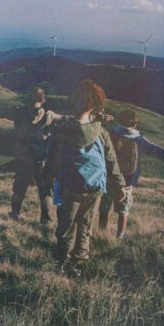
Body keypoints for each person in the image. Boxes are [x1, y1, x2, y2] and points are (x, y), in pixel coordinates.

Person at [46, 79, 125, 275]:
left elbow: (53, 160)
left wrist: (47, 181)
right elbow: (112, 161)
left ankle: (62, 262)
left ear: (73, 103)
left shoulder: (63, 131)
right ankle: (78, 263)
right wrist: (120, 185)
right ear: (95, 106)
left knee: (66, 225)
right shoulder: (101, 132)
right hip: (95, 186)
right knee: (85, 224)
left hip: (70, 185)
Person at [96, 106, 164, 240]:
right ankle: (120, 237)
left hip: (109, 178)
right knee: (123, 210)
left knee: (104, 207)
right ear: (135, 124)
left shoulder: (110, 133)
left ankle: (101, 232)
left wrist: (100, 119)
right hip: (127, 181)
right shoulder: (139, 140)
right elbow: (158, 151)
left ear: (119, 121)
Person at [0, 87, 60, 224]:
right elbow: (67, 120)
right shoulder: (49, 116)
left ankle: (14, 215)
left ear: (28, 98)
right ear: (43, 100)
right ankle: (46, 220)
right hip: (40, 159)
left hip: (24, 158)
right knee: (45, 191)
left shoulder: (19, 112)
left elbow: (0, 111)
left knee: (19, 189)